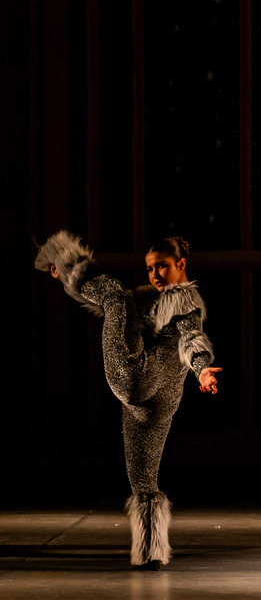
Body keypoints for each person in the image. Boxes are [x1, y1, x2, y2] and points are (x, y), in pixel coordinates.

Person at [35, 231, 221, 570]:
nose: (155, 274)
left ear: (181, 264)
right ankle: (151, 551)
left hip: (137, 378)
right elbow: (118, 318)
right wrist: (65, 279)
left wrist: (203, 369)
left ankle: (60, 254)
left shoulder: (184, 300)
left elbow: (192, 338)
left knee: (116, 295)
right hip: (155, 402)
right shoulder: (149, 298)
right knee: (143, 480)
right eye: (150, 268)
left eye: (162, 266)